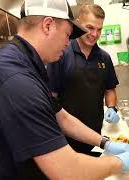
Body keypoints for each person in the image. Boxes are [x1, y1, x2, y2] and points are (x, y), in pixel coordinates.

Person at [0, 0, 129, 179]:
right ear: (47, 26)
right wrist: (119, 163)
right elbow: (67, 171)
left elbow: (60, 116)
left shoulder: (26, 63)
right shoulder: (16, 80)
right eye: (67, 34)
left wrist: (104, 143)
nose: (67, 43)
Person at [47, 4, 120, 156]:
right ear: (78, 23)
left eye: (99, 29)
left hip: (95, 137)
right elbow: (51, 97)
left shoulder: (104, 58)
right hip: (65, 138)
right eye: (90, 27)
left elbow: (110, 90)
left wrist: (112, 107)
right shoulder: (61, 53)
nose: (95, 34)